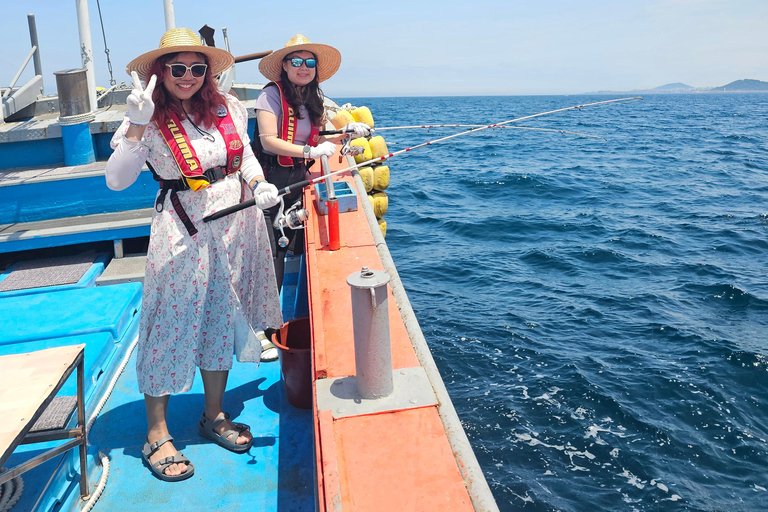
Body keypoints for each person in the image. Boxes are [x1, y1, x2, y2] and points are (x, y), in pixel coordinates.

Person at [105, 28, 283, 482]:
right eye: (176, 68)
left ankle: (213, 415)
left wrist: (260, 182)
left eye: (196, 68)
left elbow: (241, 156)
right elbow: (117, 180)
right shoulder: (144, 116)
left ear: (208, 73)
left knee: (223, 316)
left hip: (235, 220)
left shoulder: (228, 106)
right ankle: (157, 434)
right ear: (159, 73)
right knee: (170, 321)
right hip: (182, 227)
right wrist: (137, 123)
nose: (187, 77)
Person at [253, 34, 371, 291]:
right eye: (296, 61)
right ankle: (267, 323)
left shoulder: (311, 97)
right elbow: (268, 141)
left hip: (299, 179)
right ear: (284, 66)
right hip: (271, 181)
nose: (303, 67)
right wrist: (309, 152)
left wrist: (346, 133)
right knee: (272, 252)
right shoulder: (270, 95)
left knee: (293, 242)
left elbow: (317, 139)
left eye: (309, 62)